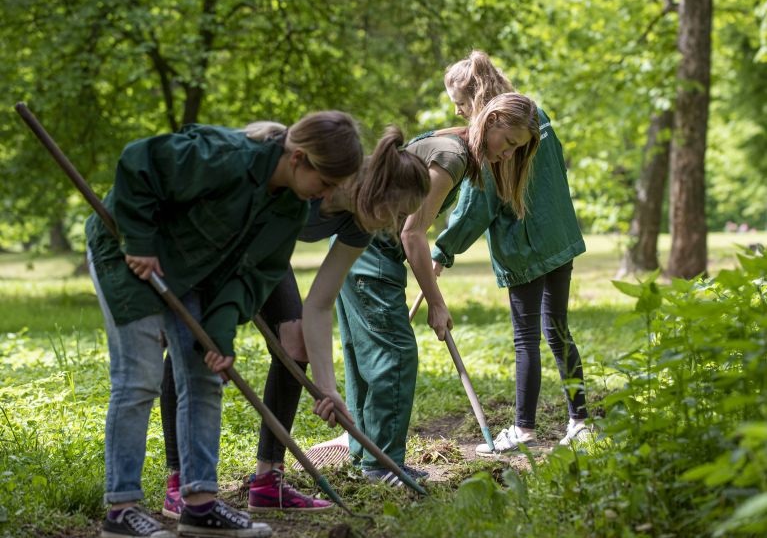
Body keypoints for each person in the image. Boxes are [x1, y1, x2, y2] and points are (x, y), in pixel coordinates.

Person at [86, 112, 362, 538]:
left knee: (204, 376)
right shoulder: (226, 156)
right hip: (129, 254)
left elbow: (250, 276)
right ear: (299, 158)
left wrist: (221, 333)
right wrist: (139, 239)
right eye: (325, 183)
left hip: (191, 269)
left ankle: (200, 506)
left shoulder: (289, 209)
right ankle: (121, 511)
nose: (326, 195)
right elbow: (140, 161)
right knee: (138, 378)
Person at [159, 126, 431, 514]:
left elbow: (319, 304)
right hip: (216, 238)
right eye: (398, 212)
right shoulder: (311, 173)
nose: (397, 224)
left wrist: (327, 387)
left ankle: (268, 481)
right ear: (376, 193)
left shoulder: (360, 224)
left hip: (268, 254)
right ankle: (179, 480)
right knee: (191, 340)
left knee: (296, 343)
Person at [337, 92, 540, 486]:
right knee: (393, 354)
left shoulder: (455, 142)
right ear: (493, 119)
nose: (507, 155)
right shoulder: (452, 157)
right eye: (509, 143)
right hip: (372, 251)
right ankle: (382, 465)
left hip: (356, 245)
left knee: (365, 356)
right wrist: (436, 303)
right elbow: (413, 233)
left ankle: (366, 455)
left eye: (517, 150)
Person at [433, 50, 590, 456]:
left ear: (475, 98)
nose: (458, 110)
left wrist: (442, 251)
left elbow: (474, 208)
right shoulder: (536, 116)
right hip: (559, 240)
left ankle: (523, 429)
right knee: (557, 330)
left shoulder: (490, 138)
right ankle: (580, 420)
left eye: (460, 103)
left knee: (527, 339)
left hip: (524, 248)